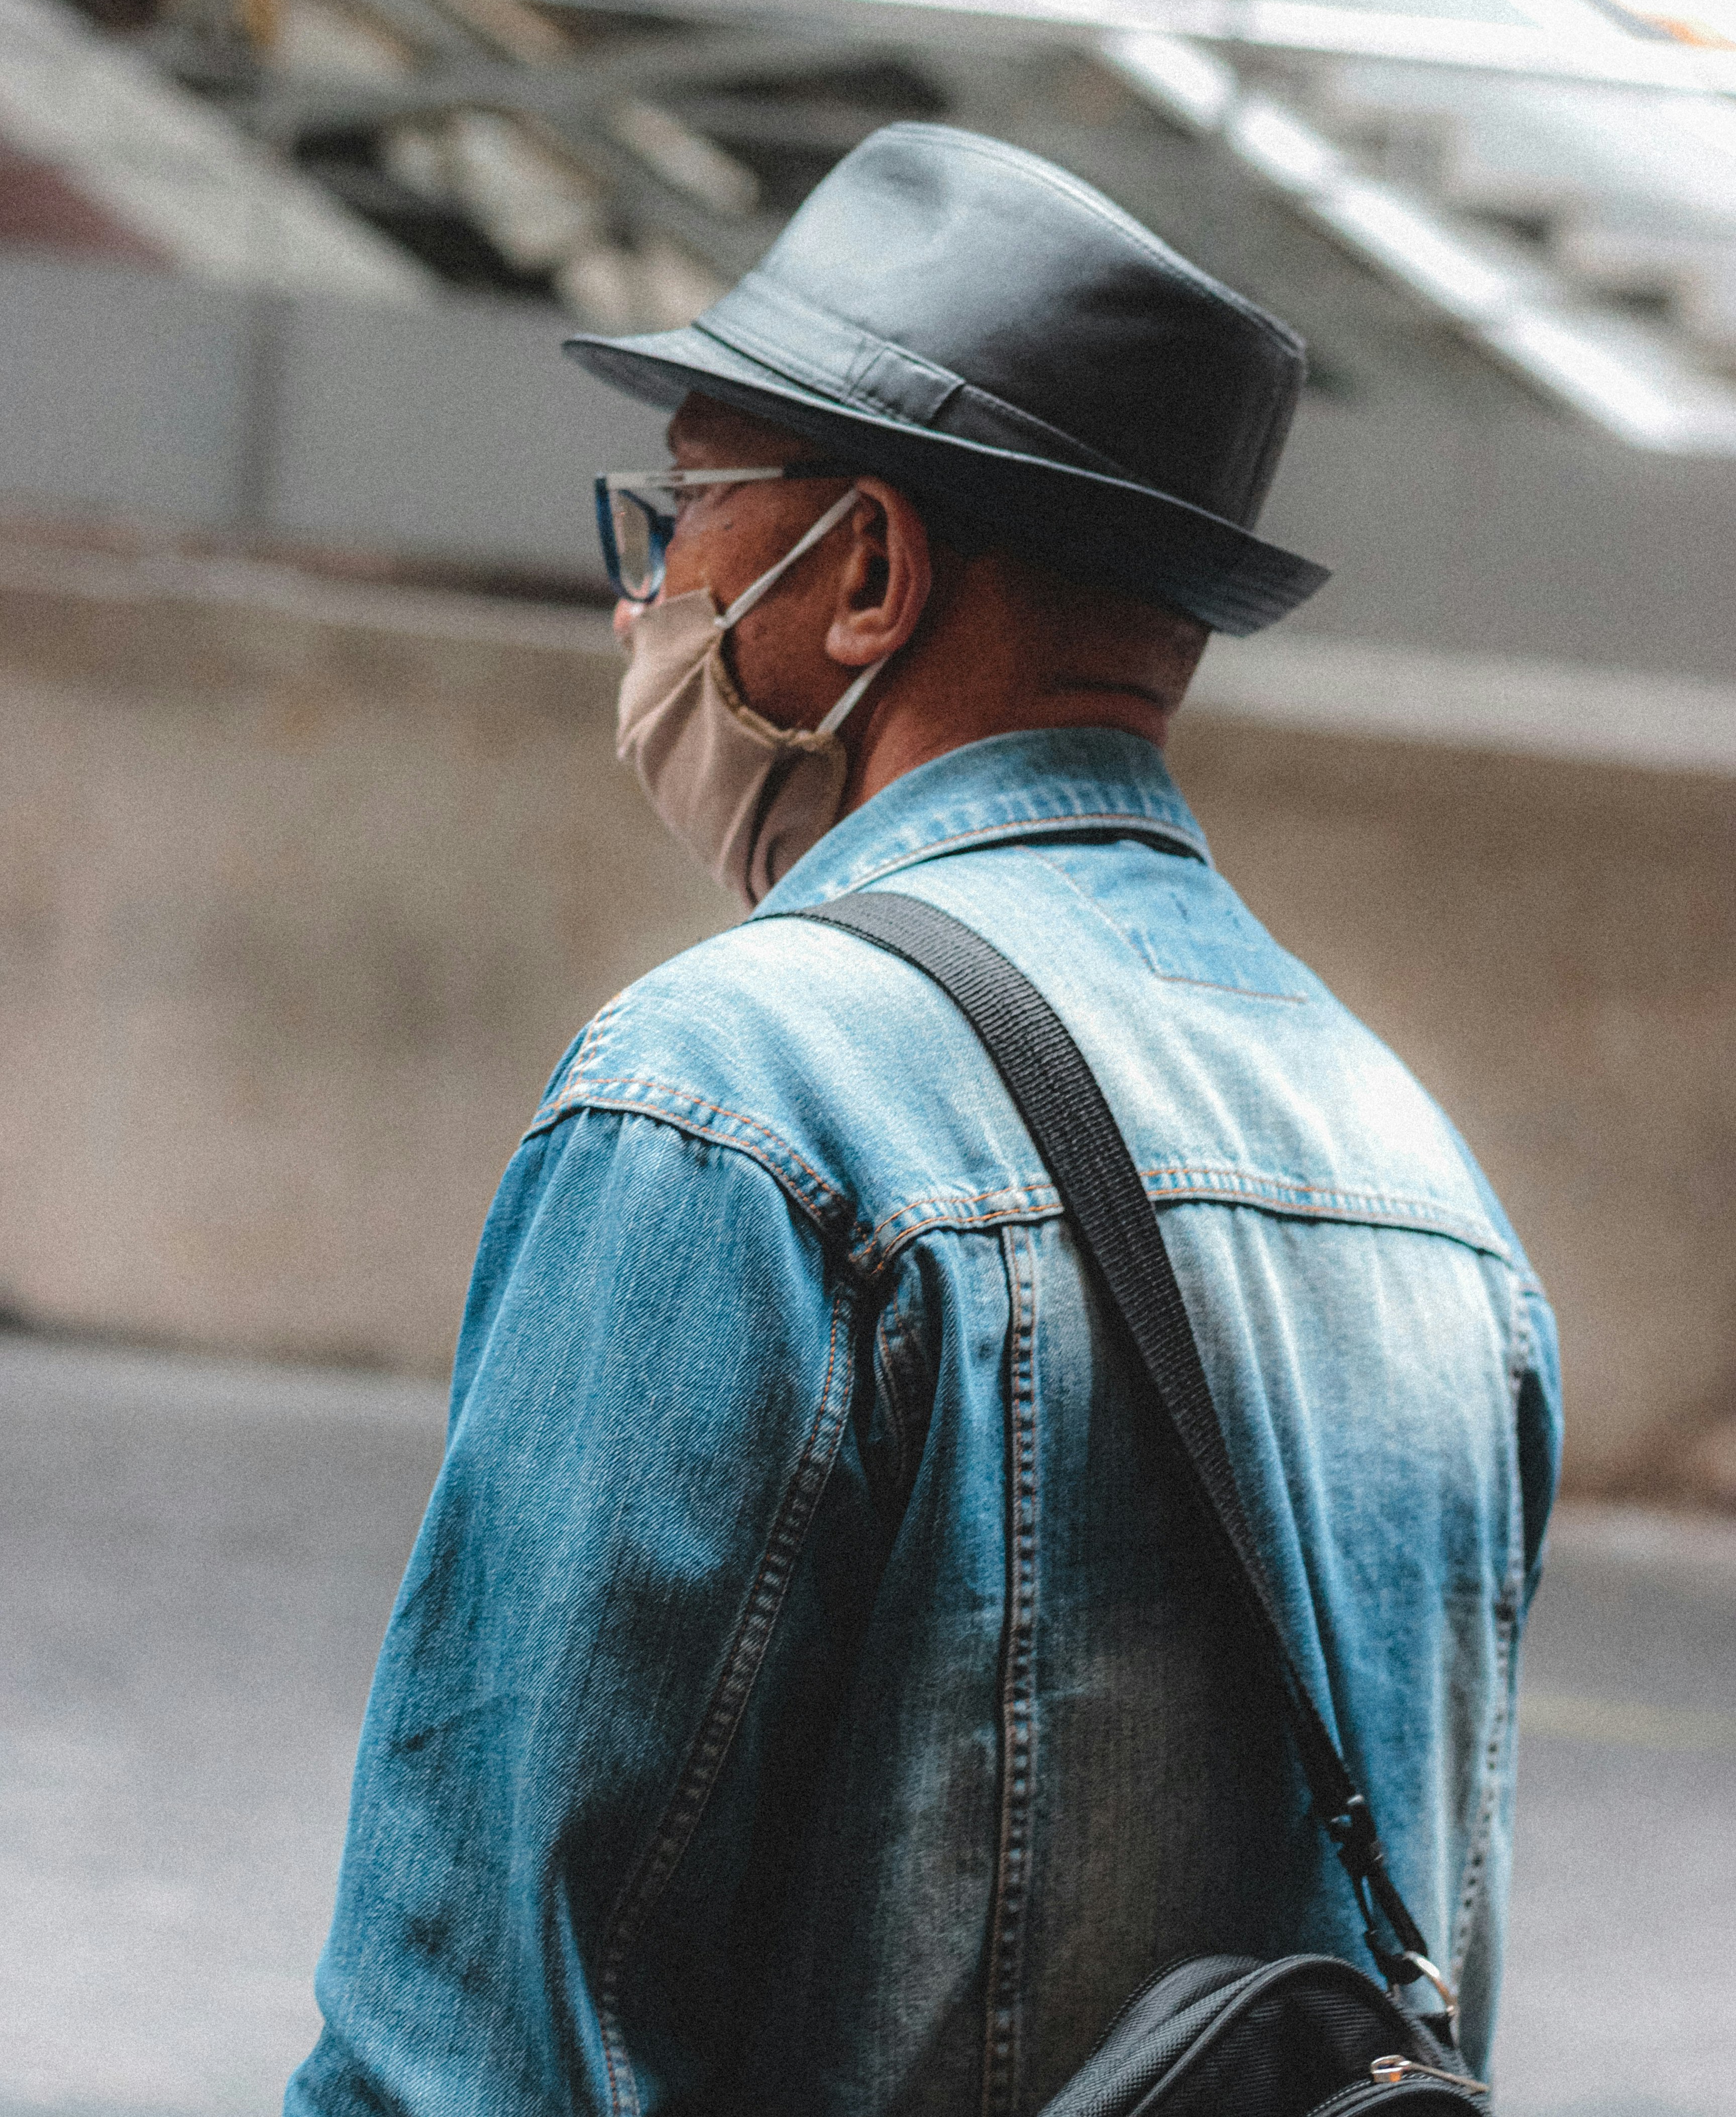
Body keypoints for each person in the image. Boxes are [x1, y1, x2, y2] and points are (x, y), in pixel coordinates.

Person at [288, 125, 1560, 2117]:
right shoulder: (1434, 1197)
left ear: (864, 571)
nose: (645, 604)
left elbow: (471, 2040)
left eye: (686, 512)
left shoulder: (735, 1096)